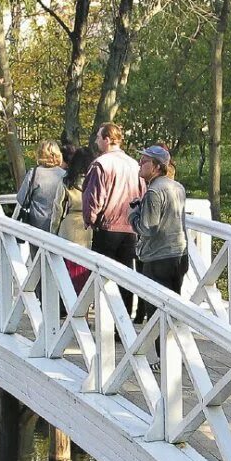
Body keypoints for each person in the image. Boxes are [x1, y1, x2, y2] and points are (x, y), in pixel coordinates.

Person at [83, 123, 144, 317]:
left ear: (107, 139)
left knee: (103, 276)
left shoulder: (101, 164)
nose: (96, 141)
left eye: (98, 137)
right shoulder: (134, 164)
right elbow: (142, 193)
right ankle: (123, 324)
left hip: (107, 227)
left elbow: (94, 198)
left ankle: (106, 321)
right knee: (125, 276)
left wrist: (90, 220)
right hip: (130, 228)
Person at [128, 145, 187, 326]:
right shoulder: (177, 187)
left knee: (157, 316)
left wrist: (133, 215)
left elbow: (148, 228)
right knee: (172, 312)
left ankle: (163, 353)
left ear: (156, 166)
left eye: (144, 161)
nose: (140, 164)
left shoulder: (154, 191)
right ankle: (170, 352)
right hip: (179, 255)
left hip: (158, 258)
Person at [58, 147, 95, 293]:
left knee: (70, 268)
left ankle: (71, 302)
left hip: (70, 224)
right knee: (86, 269)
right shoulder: (95, 181)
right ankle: (84, 306)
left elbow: (58, 207)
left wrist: (53, 230)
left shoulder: (67, 182)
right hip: (89, 224)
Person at [17, 139, 67, 233]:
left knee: (35, 247)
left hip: (36, 225)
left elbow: (21, 198)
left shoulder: (34, 174)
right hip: (59, 224)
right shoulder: (65, 175)